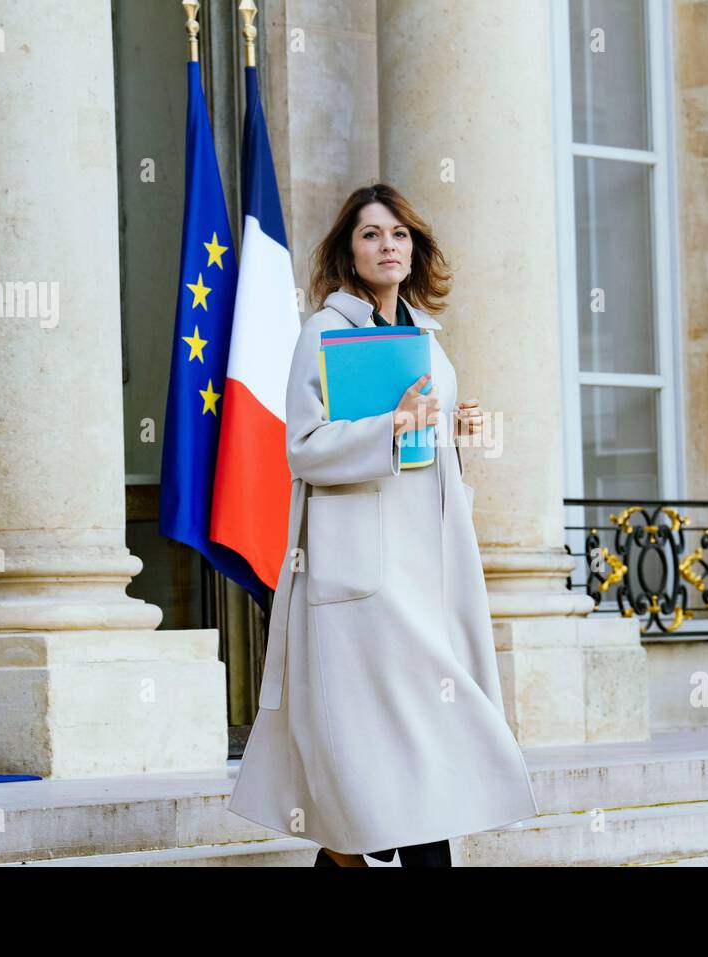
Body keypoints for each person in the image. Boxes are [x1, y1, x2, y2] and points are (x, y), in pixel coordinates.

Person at [227, 183, 539, 867]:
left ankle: (352, 850)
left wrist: (457, 427)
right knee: (388, 769)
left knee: (421, 757)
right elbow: (303, 448)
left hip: (426, 571)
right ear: (350, 251)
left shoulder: (427, 338)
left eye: (398, 234)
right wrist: (389, 428)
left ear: (414, 248)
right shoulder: (324, 333)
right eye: (371, 234)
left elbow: (426, 450)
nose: (387, 245)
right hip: (359, 581)